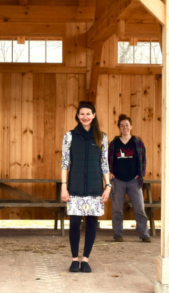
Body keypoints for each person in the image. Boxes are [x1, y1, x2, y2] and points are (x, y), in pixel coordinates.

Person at [61, 101, 111, 273]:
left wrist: (108, 186)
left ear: (94, 115)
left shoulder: (102, 137)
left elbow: (104, 163)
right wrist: (63, 186)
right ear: (77, 116)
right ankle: (74, 259)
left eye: (88, 114)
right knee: (74, 223)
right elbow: (64, 163)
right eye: (82, 114)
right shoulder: (69, 136)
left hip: (95, 188)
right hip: (74, 187)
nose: (85, 117)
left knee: (91, 223)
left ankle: (86, 259)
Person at [108, 114, 150, 243]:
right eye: (122, 125)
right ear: (119, 128)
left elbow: (143, 160)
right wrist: (109, 173)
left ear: (131, 126)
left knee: (139, 209)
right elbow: (107, 159)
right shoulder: (114, 143)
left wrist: (141, 174)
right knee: (116, 210)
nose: (125, 127)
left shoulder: (138, 143)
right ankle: (118, 234)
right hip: (117, 181)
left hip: (134, 180)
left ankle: (144, 235)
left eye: (127, 125)